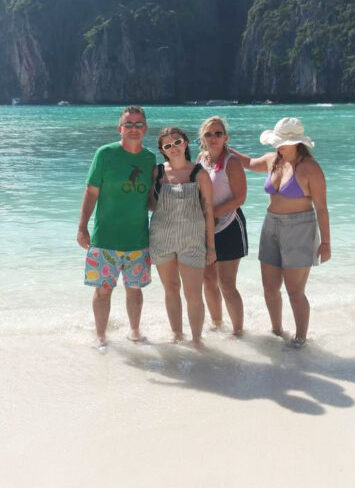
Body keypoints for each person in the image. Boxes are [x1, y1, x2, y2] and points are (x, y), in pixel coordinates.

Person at [236, 117, 330, 349]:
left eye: (282, 143)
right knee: (270, 288)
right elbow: (248, 163)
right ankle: (277, 331)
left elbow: (321, 207)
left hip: (300, 228)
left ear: (297, 143)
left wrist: (326, 243)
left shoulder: (310, 168)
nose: (278, 147)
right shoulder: (272, 160)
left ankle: (300, 340)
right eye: (276, 142)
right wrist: (221, 148)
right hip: (271, 225)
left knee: (295, 291)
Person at [78, 105, 157, 346]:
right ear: (119, 128)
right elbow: (91, 192)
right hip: (105, 239)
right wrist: (82, 227)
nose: (133, 128)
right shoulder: (105, 154)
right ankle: (101, 337)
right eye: (128, 124)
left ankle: (135, 332)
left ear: (145, 128)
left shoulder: (150, 159)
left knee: (135, 289)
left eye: (138, 124)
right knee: (103, 290)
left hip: (138, 239)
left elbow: (151, 200)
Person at [148, 126, 216, 347]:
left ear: (185, 143)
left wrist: (211, 247)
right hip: (161, 238)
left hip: (192, 240)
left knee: (194, 294)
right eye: (168, 145)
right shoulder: (157, 173)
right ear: (162, 150)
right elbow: (149, 204)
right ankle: (176, 335)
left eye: (177, 142)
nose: (174, 148)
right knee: (170, 289)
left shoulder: (200, 173)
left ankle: (197, 340)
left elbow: (209, 211)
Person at [196, 116, 247, 336]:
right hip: (206, 227)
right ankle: (217, 324)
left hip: (230, 225)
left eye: (218, 133)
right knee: (208, 281)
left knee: (227, 284)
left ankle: (238, 332)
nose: (213, 138)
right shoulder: (201, 159)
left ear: (226, 137)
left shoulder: (231, 162)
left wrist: (212, 214)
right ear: (202, 138)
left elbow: (240, 198)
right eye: (208, 134)